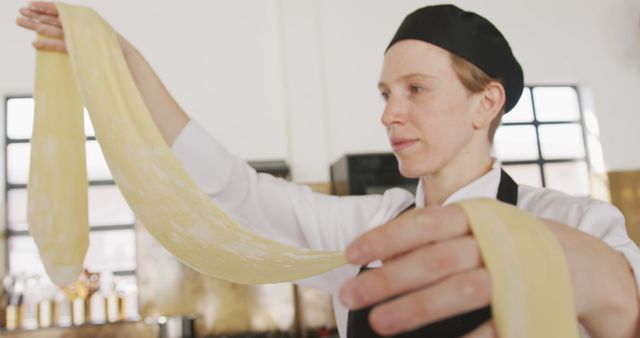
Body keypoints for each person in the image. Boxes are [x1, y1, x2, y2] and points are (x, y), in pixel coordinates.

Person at [17, 2, 640, 337]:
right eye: (384, 93)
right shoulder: (371, 230)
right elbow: (236, 191)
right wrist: (125, 63)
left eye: (415, 90)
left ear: (488, 101)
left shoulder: (577, 223)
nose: (390, 114)